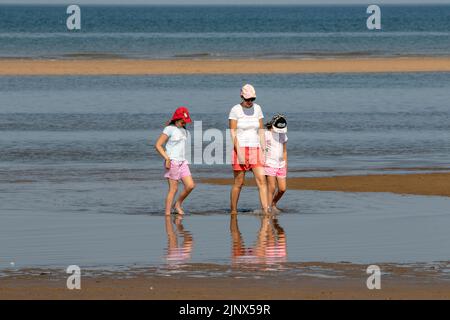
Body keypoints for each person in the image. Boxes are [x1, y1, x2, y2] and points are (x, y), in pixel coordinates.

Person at [229, 84, 269, 214]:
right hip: (239, 149)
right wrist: (239, 153)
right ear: (242, 96)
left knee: (262, 180)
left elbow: (261, 130)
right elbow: (233, 133)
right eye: (247, 99)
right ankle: (233, 211)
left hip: (255, 149)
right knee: (239, 183)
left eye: (252, 99)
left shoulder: (258, 109)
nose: (250, 102)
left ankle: (266, 210)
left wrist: (264, 149)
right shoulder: (235, 110)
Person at [155, 106, 195, 215]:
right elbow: (158, 145)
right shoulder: (169, 129)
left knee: (190, 185)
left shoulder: (184, 130)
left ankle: (177, 204)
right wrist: (167, 158)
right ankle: (167, 214)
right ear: (176, 119)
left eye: (185, 122)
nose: (184, 123)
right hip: (172, 161)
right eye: (183, 121)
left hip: (183, 162)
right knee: (173, 189)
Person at [264, 114, 288, 213]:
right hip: (269, 163)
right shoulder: (266, 134)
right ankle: (268, 208)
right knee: (272, 187)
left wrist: (285, 164)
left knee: (282, 189)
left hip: (281, 164)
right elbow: (261, 148)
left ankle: (273, 203)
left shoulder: (283, 135)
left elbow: (284, 151)